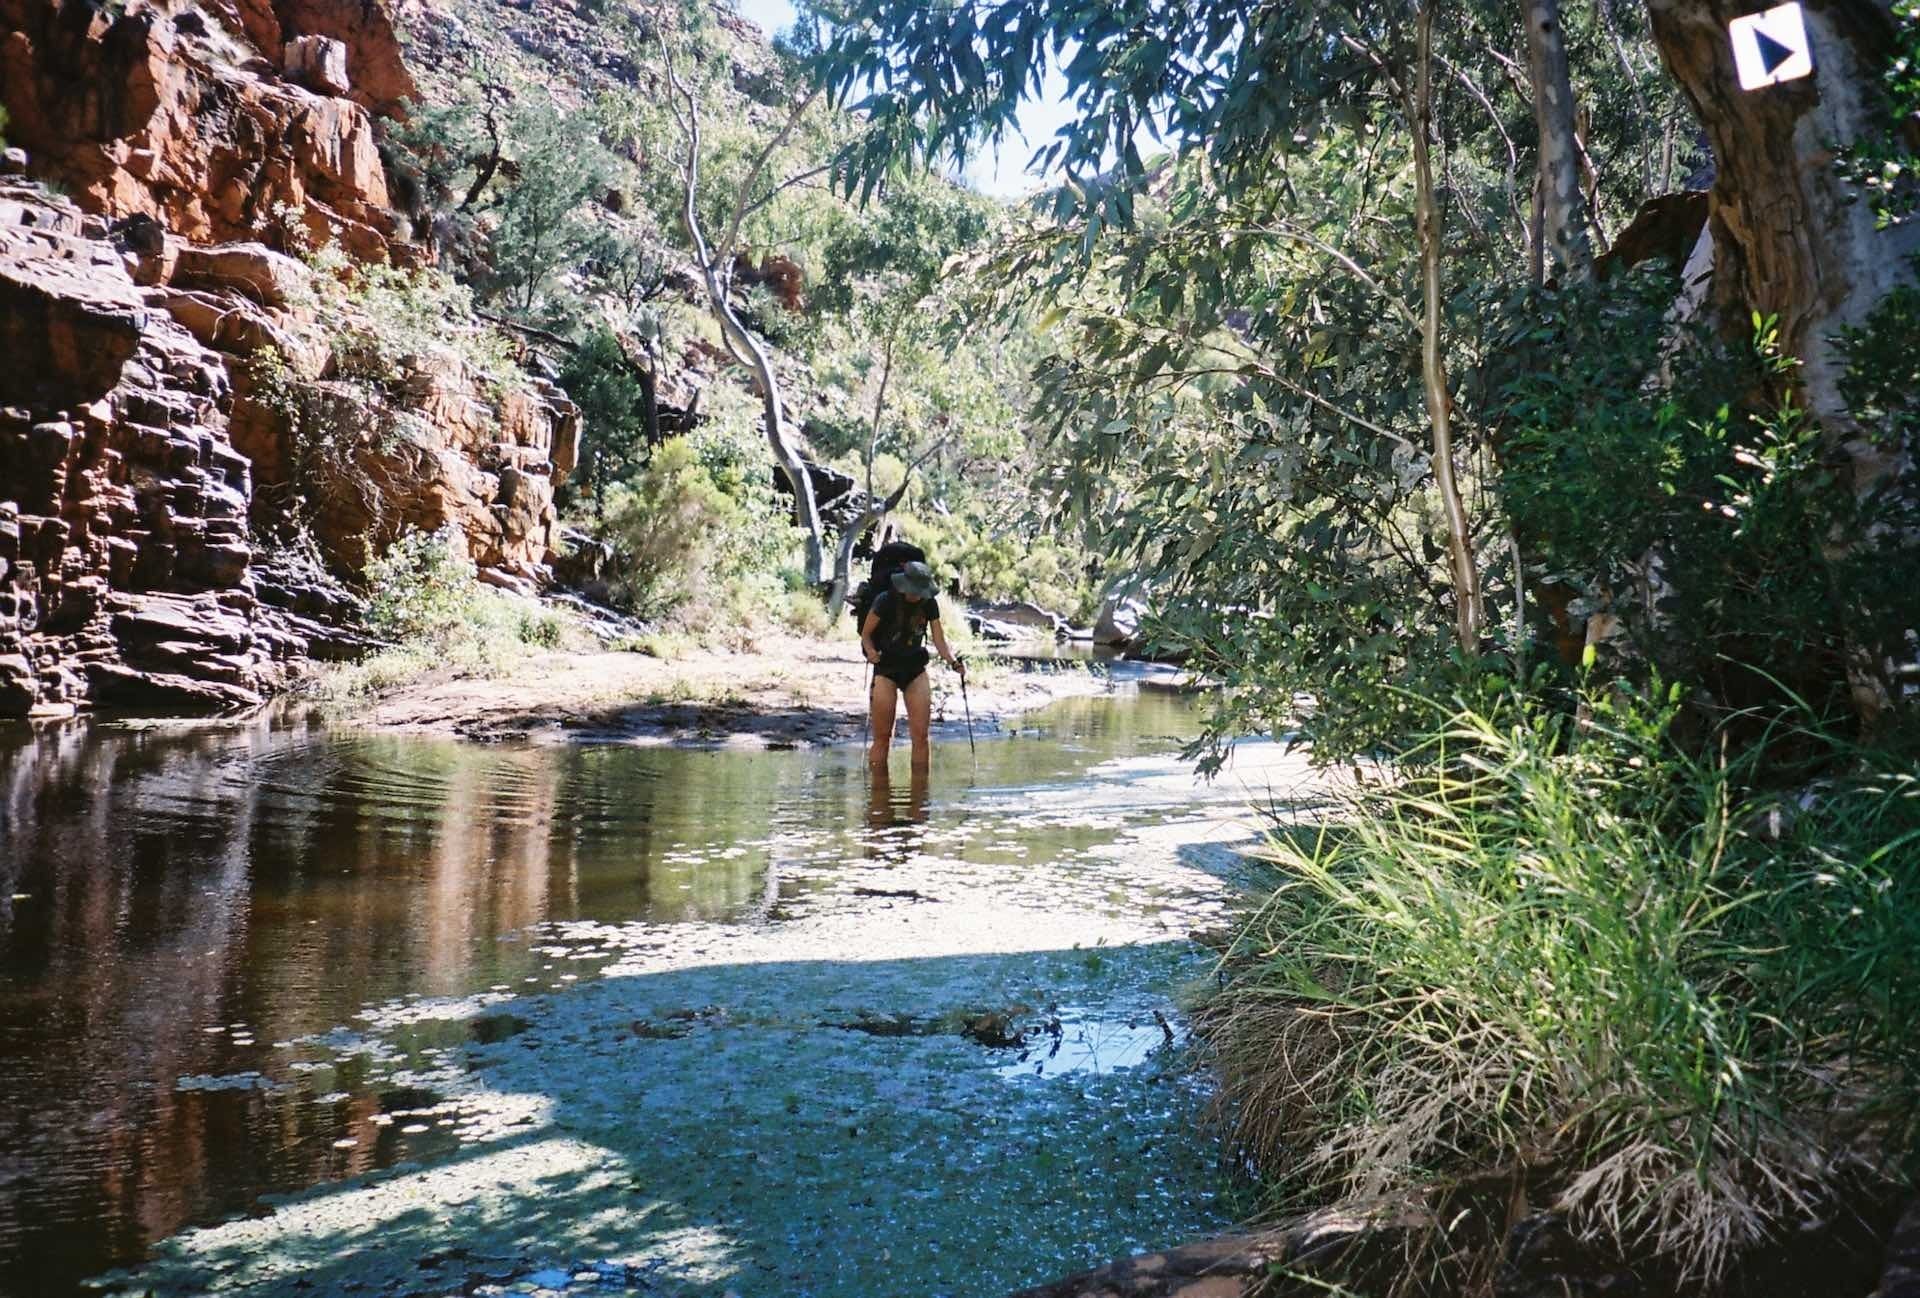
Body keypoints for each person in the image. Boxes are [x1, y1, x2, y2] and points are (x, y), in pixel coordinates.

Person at [860, 560, 963, 773]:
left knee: (921, 737)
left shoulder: (929, 604)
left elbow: (939, 640)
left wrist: (953, 662)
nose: (918, 594)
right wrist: (870, 652)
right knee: (882, 737)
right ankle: (879, 798)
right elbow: (866, 634)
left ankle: (920, 799)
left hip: (915, 668)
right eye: (915, 590)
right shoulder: (885, 601)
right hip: (886, 668)